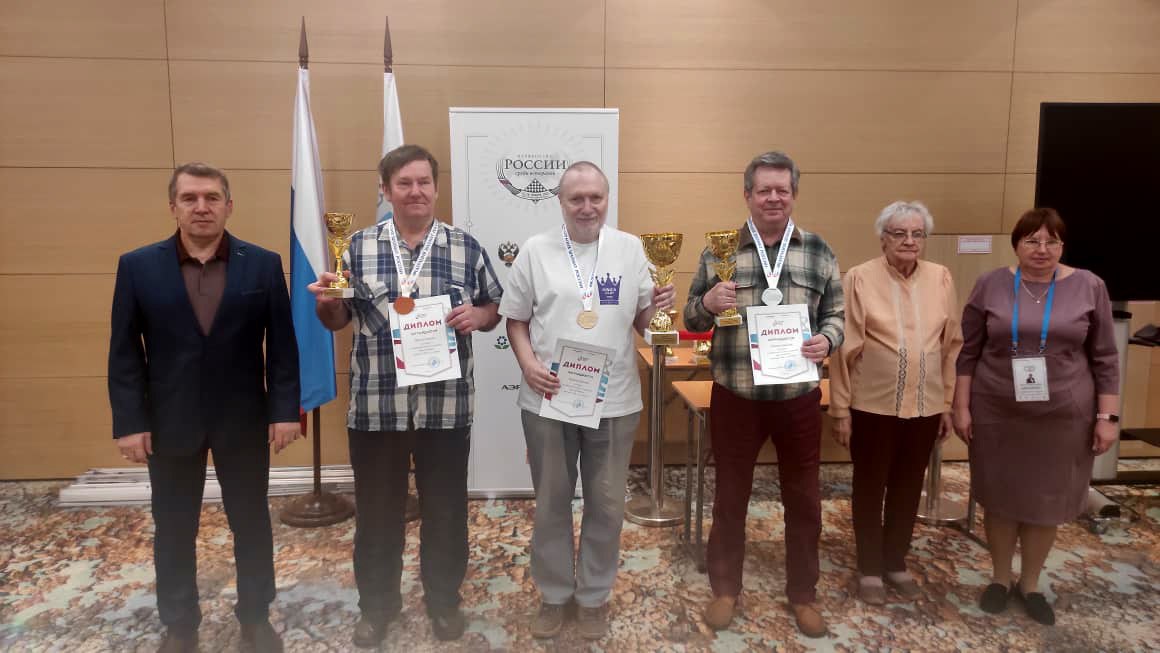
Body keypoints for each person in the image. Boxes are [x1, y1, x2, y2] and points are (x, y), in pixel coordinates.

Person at [309, 144, 503, 647]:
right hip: (378, 409)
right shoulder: (356, 247)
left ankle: (443, 602)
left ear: (436, 187)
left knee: (446, 514)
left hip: (445, 408)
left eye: (423, 182)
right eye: (404, 183)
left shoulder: (466, 247)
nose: (415, 191)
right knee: (377, 517)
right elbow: (336, 320)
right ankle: (376, 608)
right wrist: (328, 302)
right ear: (385, 190)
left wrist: (479, 316)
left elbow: (494, 307)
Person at [108, 163, 301, 653]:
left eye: (212, 198)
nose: (201, 207)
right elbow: (125, 352)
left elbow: (282, 347)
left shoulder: (262, 265)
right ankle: (180, 624)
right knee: (174, 528)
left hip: (244, 419)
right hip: (169, 421)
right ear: (172, 207)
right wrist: (130, 422)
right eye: (190, 198)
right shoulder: (137, 266)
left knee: (251, 523)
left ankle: (255, 617)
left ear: (228, 206)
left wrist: (284, 411)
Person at [499, 161, 675, 641]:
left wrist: (658, 310)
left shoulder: (631, 249)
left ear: (607, 198)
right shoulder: (535, 251)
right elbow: (515, 319)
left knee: (607, 506)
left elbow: (642, 321)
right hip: (549, 398)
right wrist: (528, 364)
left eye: (595, 197)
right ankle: (555, 594)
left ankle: (594, 596)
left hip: (614, 401)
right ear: (560, 201)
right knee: (552, 502)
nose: (587, 206)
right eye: (576, 198)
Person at [684, 151, 844, 637]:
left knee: (805, 499)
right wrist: (708, 302)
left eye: (782, 190)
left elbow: (837, 315)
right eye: (764, 190)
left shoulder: (818, 250)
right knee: (730, 496)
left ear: (794, 194)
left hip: (798, 396)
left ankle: (803, 594)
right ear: (747, 195)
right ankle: (725, 589)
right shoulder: (719, 250)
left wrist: (827, 340)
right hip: (737, 395)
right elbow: (691, 317)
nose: (773, 197)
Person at [953, 208, 1119, 626]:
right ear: (1017, 244)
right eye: (1032, 240)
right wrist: (961, 406)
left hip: (1063, 416)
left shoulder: (1089, 286)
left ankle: (1029, 583)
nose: (1042, 249)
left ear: (1062, 246)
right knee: (1000, 496)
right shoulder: (990, 284)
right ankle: (999, 578)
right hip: (997, 411)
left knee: (1047, 499)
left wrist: (1108, 417)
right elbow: (967, 352)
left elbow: (1105, 357)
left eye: (1052, 241)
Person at [827, 201, 963, 605]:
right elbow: (844, 348)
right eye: (899, 233)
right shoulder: (859, 278)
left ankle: (895, 561)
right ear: (883, 238)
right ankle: (869, 566)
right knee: (870, 486)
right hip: (873, 406)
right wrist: (840, 408)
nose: (909, 241)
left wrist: (947, 402)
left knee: (908, 485)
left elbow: (950, 345)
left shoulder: (941, 277)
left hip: (925, 406)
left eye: (917, 234)